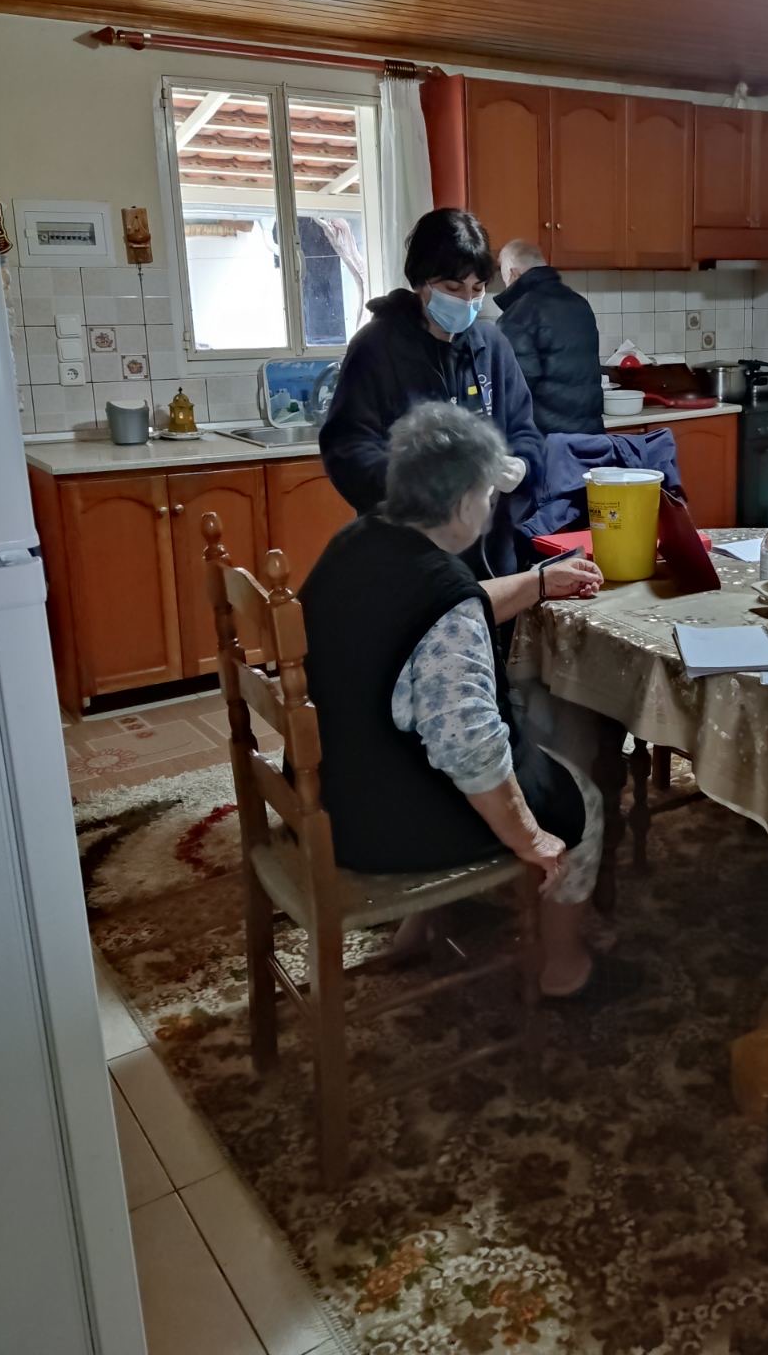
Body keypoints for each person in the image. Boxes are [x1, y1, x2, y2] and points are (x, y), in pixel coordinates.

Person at [302, 402, 610, 998]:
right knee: (583, 801)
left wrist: (539, 583)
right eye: (488, 495)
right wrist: (529, 837)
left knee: (469, 730)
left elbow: (429, 611)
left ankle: (419, 928)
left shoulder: (356, 543)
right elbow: (472, 752)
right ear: (467, 503)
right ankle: (563, 966)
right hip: (382, 826)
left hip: (329, 788)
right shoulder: (443, 603)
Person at [319, 209, 543, 577]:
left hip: (490, 552)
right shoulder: (376, 348)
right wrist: (421, 487)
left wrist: (522, 464)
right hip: (405, 559)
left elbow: (525, 431)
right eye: (453, 289)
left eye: (478, 289)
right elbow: (347, 450)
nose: (467, 301)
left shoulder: (492, 345)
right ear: (421, 282)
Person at [495, 240, 605, 435]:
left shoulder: (517, 316)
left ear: (513, 274)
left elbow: (514, 391)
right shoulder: (580, 303)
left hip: (547, 440)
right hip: (591, 435)